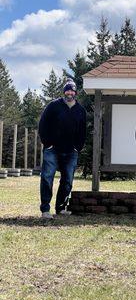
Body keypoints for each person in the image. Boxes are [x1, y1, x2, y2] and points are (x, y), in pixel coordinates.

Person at [38, 78, 86, 219]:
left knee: (67, 180)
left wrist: (78, 147)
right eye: (67, 89)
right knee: (47, 177)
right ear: (64, 91)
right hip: (52, 149)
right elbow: (43, 125)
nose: (69, 92)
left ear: (75, 92)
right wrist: (47, 143)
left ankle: (61, 208)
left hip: (71, 151)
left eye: (71, 90)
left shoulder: (80, 110)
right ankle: (45, 210)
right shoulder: (53, 106)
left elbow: (82, 131)